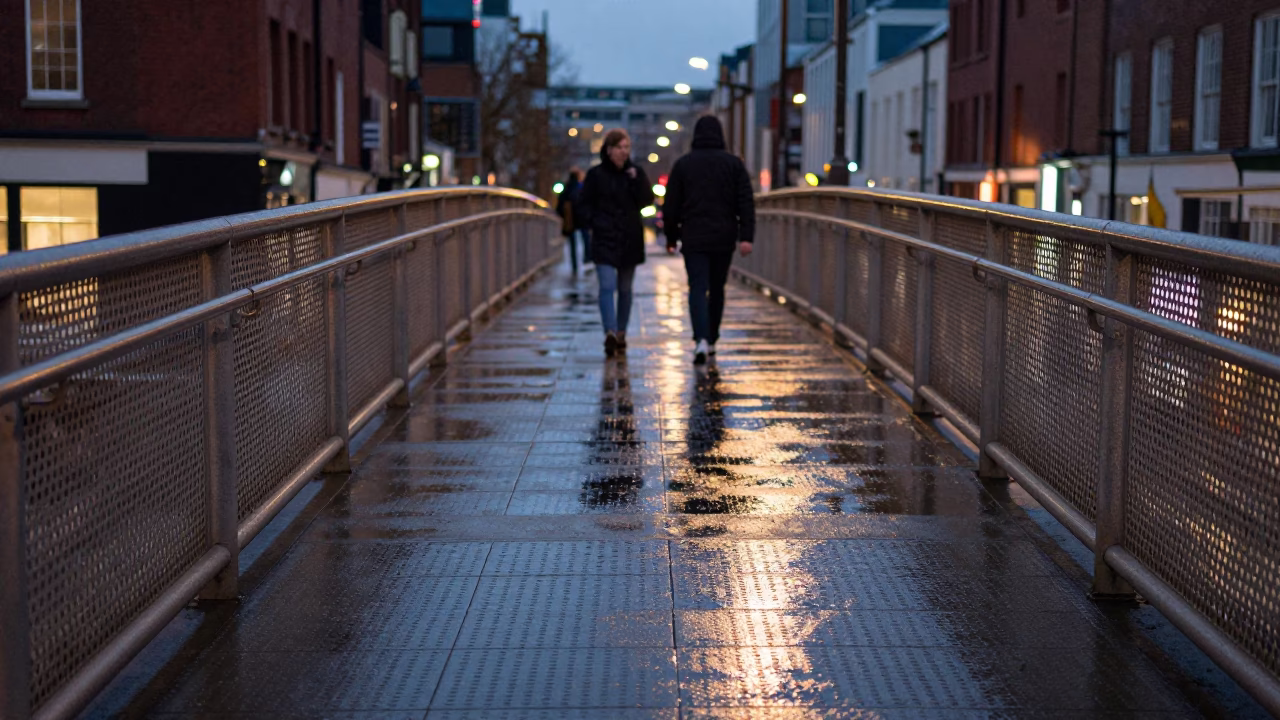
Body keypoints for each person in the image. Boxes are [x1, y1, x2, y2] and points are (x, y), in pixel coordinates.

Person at [663, 115, 755, 365]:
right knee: (717, 288)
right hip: (723, 236)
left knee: (697, 286)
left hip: (693, 236)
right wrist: (746, 237)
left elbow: (671, 205)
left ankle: (700, 339)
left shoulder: (683, 165)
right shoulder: (733, 165)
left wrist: (671, 238)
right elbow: (745, 202)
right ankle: (712, 338)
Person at [578, 128, 654, 356]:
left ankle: (621, 332)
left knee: (625, 289)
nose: (623, 152)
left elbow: (646, 201)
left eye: (626, 147)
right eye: (619, 147)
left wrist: (636, 181)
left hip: (629, 237)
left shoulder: (636, 173)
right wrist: (594, 222)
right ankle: (609, 331)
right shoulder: (595, 175)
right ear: (609, 150)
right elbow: (583, 204)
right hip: (604, 237)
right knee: (607, 286)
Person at [555, 169, 591, 274]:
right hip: (582, 220)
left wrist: (564, 216)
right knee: (586, 238)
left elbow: (559, 207)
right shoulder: (582, 188)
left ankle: (574, 265)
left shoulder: (566, 189)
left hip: (570, 221)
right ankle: (587, 259)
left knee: (572, 244)